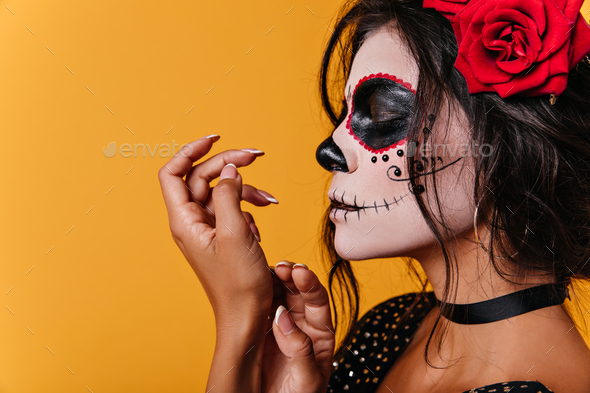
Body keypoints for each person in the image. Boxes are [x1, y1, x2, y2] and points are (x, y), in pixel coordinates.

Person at [157, 0, 590, 391]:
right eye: (345, 114)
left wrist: (240, 319)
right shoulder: (392, 329)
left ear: (511, 144)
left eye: (383, 113)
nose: (329, 149)